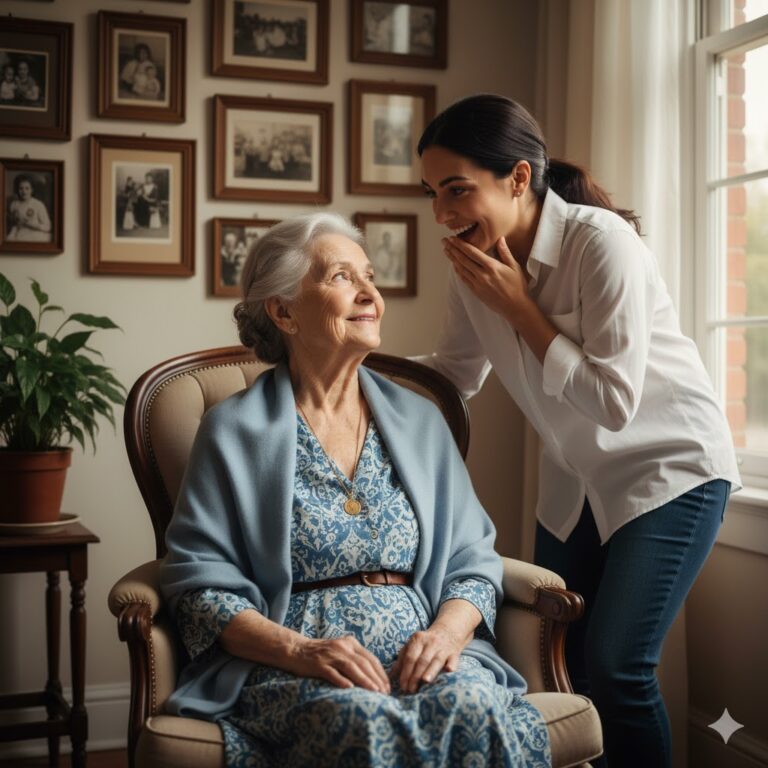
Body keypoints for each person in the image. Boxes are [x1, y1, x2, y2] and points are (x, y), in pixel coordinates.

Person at [415, 93, 741, 768]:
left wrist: (521, 309)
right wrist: (349, 368)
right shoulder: (471, 263)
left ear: (519, 178)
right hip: (576, 482)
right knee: (554, 659)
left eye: (457, 191)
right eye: (432, 194)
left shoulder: (602, 243)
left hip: (671, 472)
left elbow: (614, 402)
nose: (443, 215)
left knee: (619, 666)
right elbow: (453, 376)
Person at [159, 212, 551, 767]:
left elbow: (473, 559)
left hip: (424, 652)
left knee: (471, 703)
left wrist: (445, 635)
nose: (370, 294)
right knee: (360, 723)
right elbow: (199, 585)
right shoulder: (233, 432)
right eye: (343, 277)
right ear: (284, 310)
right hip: (295, 664)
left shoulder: (420, 420)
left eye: (369, 276)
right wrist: (301, 650)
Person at [7, 174, 51, 242]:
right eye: (21, 188)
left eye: (27, 188)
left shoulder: (38, 204)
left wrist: (32, 224)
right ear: (17, 190)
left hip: (35, 236)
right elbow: (13, 225)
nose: (24, 191)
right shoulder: (14, 204)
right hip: (18, 235)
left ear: (32, 190)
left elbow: (48, 227)